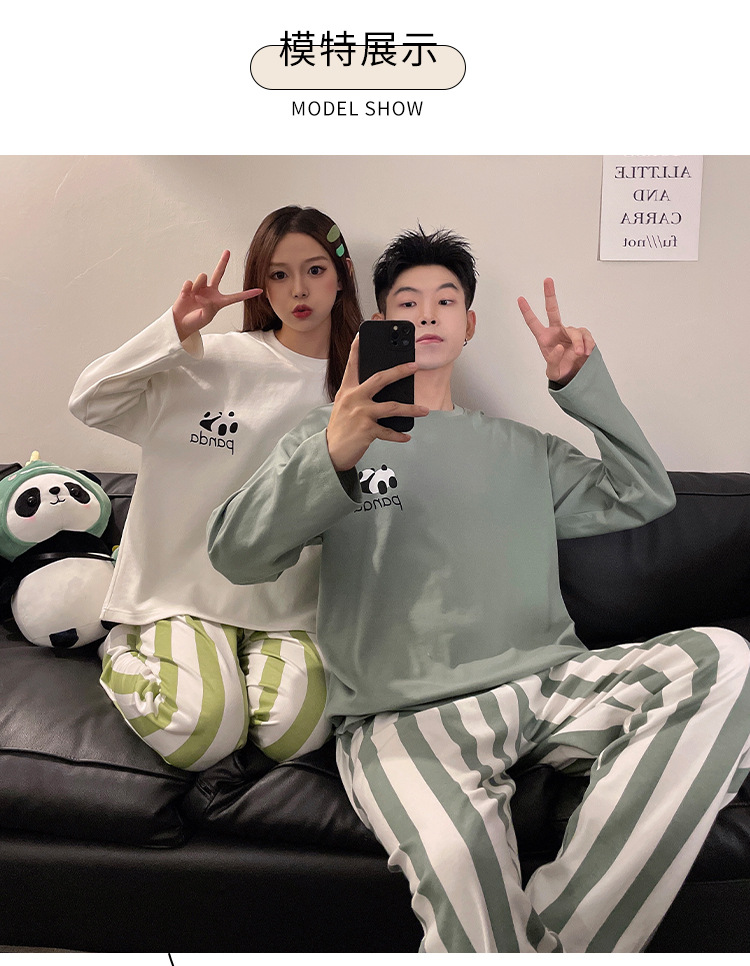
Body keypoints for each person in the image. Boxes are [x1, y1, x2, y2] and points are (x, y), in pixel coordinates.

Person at [206, 227, 750, 952]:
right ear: (380, 325)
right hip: (405, 716)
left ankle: (561, 940)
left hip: (548, 686)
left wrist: (582, 389)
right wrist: (335, 450)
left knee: (722, 659)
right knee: (464, 889)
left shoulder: (524, 449)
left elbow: (643, 494)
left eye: (445, 300)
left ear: (469, 325)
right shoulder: (331, 435)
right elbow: (236, 554)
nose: (428, 314)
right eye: (407, 303)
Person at [69, 205, 361, 771]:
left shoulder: (355, 387)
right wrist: (175, 328)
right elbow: (90, 402)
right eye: (278, 274)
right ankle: (123, 644)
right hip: (183, 592)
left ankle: (236, 671)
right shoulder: (213, 358)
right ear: (260, 284)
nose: (299, 290)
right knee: (201, 736)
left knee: (297, 736)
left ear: (342, 274)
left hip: (290, 605)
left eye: (315, 269)